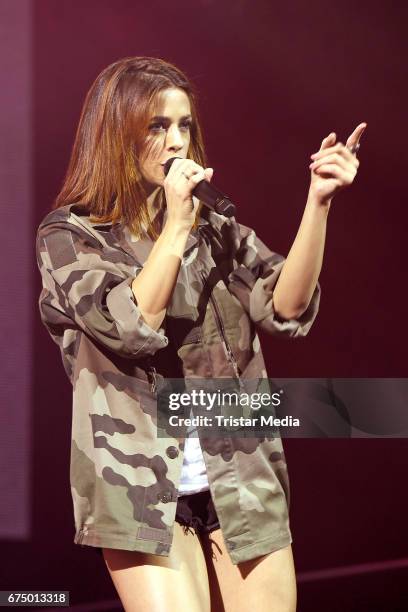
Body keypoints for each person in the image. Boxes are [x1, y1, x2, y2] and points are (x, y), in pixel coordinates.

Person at [35, 56, 366, 612]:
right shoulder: (70, 236)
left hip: (241, 475)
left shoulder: (214, 228)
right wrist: (176, 223)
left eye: (184, 125)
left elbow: (286, 306)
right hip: (140, 489)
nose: (176, 141)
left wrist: (319, 203)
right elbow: (128, 323)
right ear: (116, 134)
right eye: (157, 127)